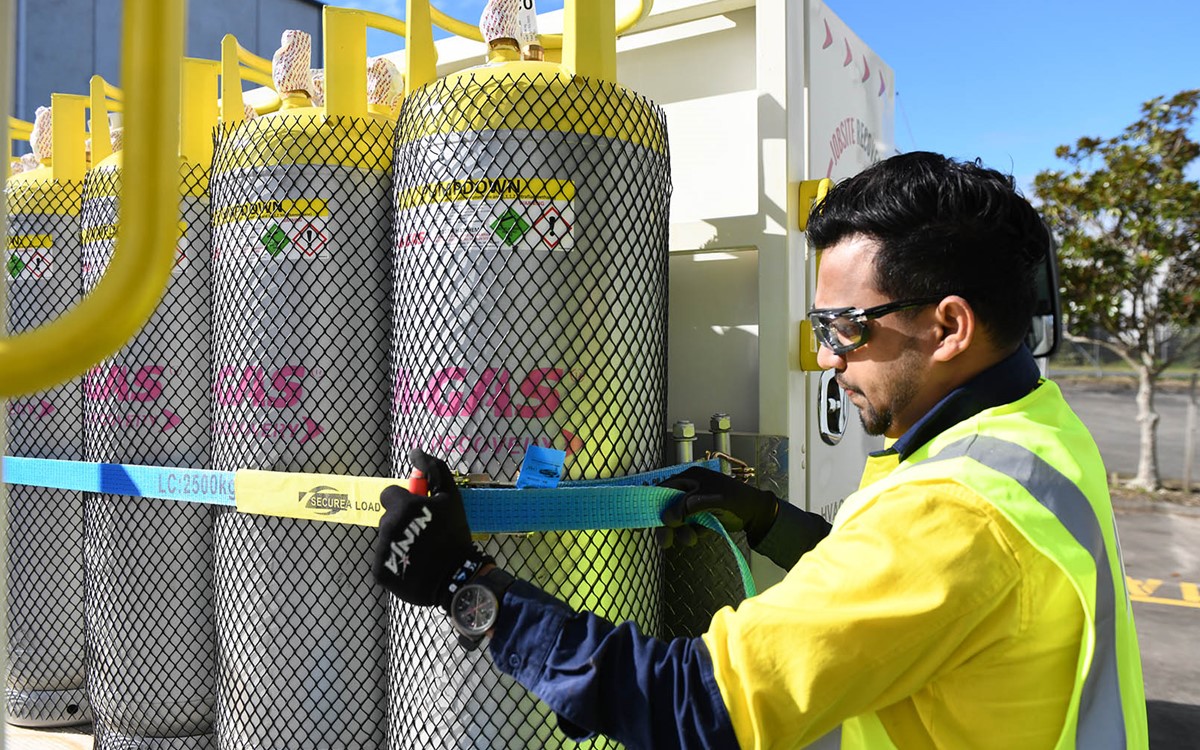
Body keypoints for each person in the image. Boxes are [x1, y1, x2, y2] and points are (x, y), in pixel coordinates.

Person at [373, 152, 1148, 749]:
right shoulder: (1031, 429)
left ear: (949, 326)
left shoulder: (955, 513)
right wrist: (768, 519)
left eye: (846, 327)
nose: (829, 358)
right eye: (820, 331)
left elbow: (692, 707)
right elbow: (893, 594)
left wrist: (468, 586)